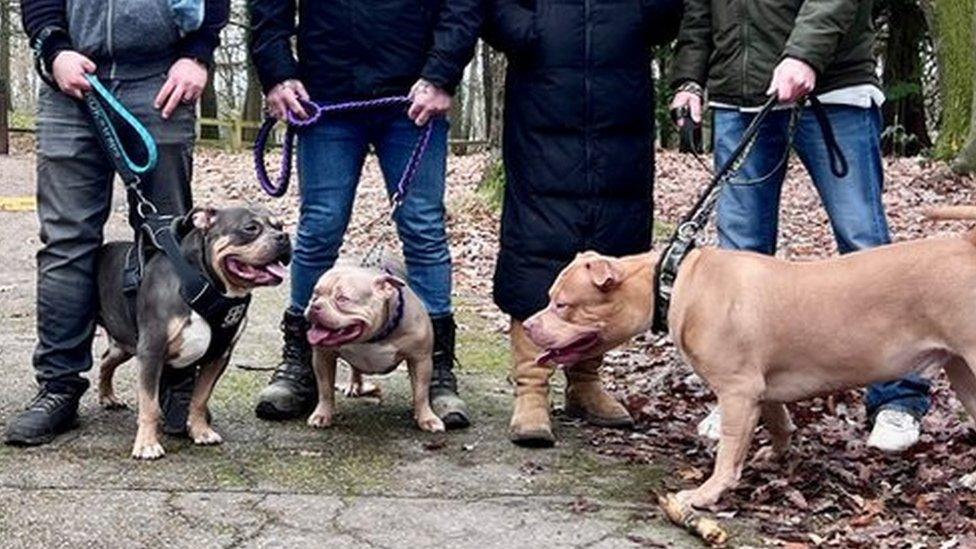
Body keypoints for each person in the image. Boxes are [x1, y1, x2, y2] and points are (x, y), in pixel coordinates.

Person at [670, 0, 930, 452]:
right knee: (737, 256)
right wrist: (689, 79)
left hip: (833, 90)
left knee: (865, 245)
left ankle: (898, 398)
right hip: (739, 95)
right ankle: (739, 394)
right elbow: (699, 10)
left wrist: (804, 54)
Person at [248, 0, 482, 428]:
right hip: (325, 95)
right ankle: (300, 359)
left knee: (424, 228)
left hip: (414, 95)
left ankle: (437, 368)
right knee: (319, 227)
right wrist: (278, 73)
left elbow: (461, 7)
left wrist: (441, 73)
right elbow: (268, 9)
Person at [6, 0, 229, 446]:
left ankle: (176, 386)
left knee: (169, 241)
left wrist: (198, 54)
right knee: (66, 242)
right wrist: (53, 47)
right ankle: (59, 384)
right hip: (71, 80)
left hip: (163, 81)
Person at [484, 0, 684, 447]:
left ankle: (586, 380)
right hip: (542, 107)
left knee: (613, 249)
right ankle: (532, 388)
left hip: (621, 112)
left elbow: (668, 17)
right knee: (536, 246)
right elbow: (491, 10)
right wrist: (527, 28)